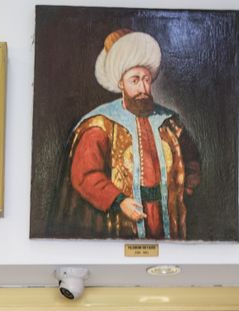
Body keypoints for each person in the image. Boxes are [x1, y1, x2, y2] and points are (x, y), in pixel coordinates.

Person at [49, 27, 201, 240]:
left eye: (146, 79)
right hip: (122, 214)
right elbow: (85, 175)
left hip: (167, 213)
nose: (143, 88)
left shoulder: (169, 122)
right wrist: (118, 200)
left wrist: (182, 190)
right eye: (135, 80)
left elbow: (192, 161)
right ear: (121, 83)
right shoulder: (100, 124)